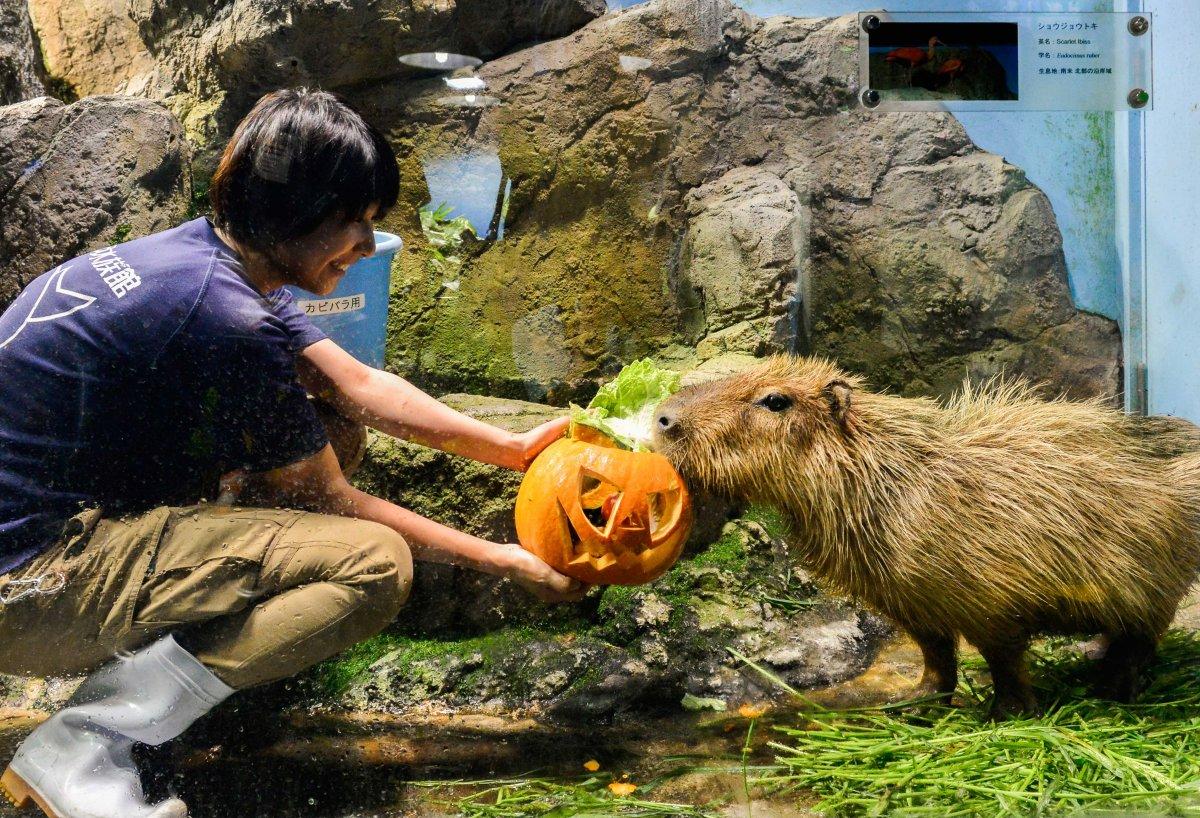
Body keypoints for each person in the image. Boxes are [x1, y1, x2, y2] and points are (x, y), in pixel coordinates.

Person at [0, 88, 583, 818]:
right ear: (299, 212)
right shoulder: (224, 315)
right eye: (358, 224)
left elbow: (359, 383)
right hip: (31, 590)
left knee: (330, 430)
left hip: (45, 542)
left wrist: (511, 447)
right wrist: (502, 560)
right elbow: (330, 501)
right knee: (372, 564)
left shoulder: (204, 257)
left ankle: (146, 698)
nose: (368, 249)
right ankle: (87, 745)